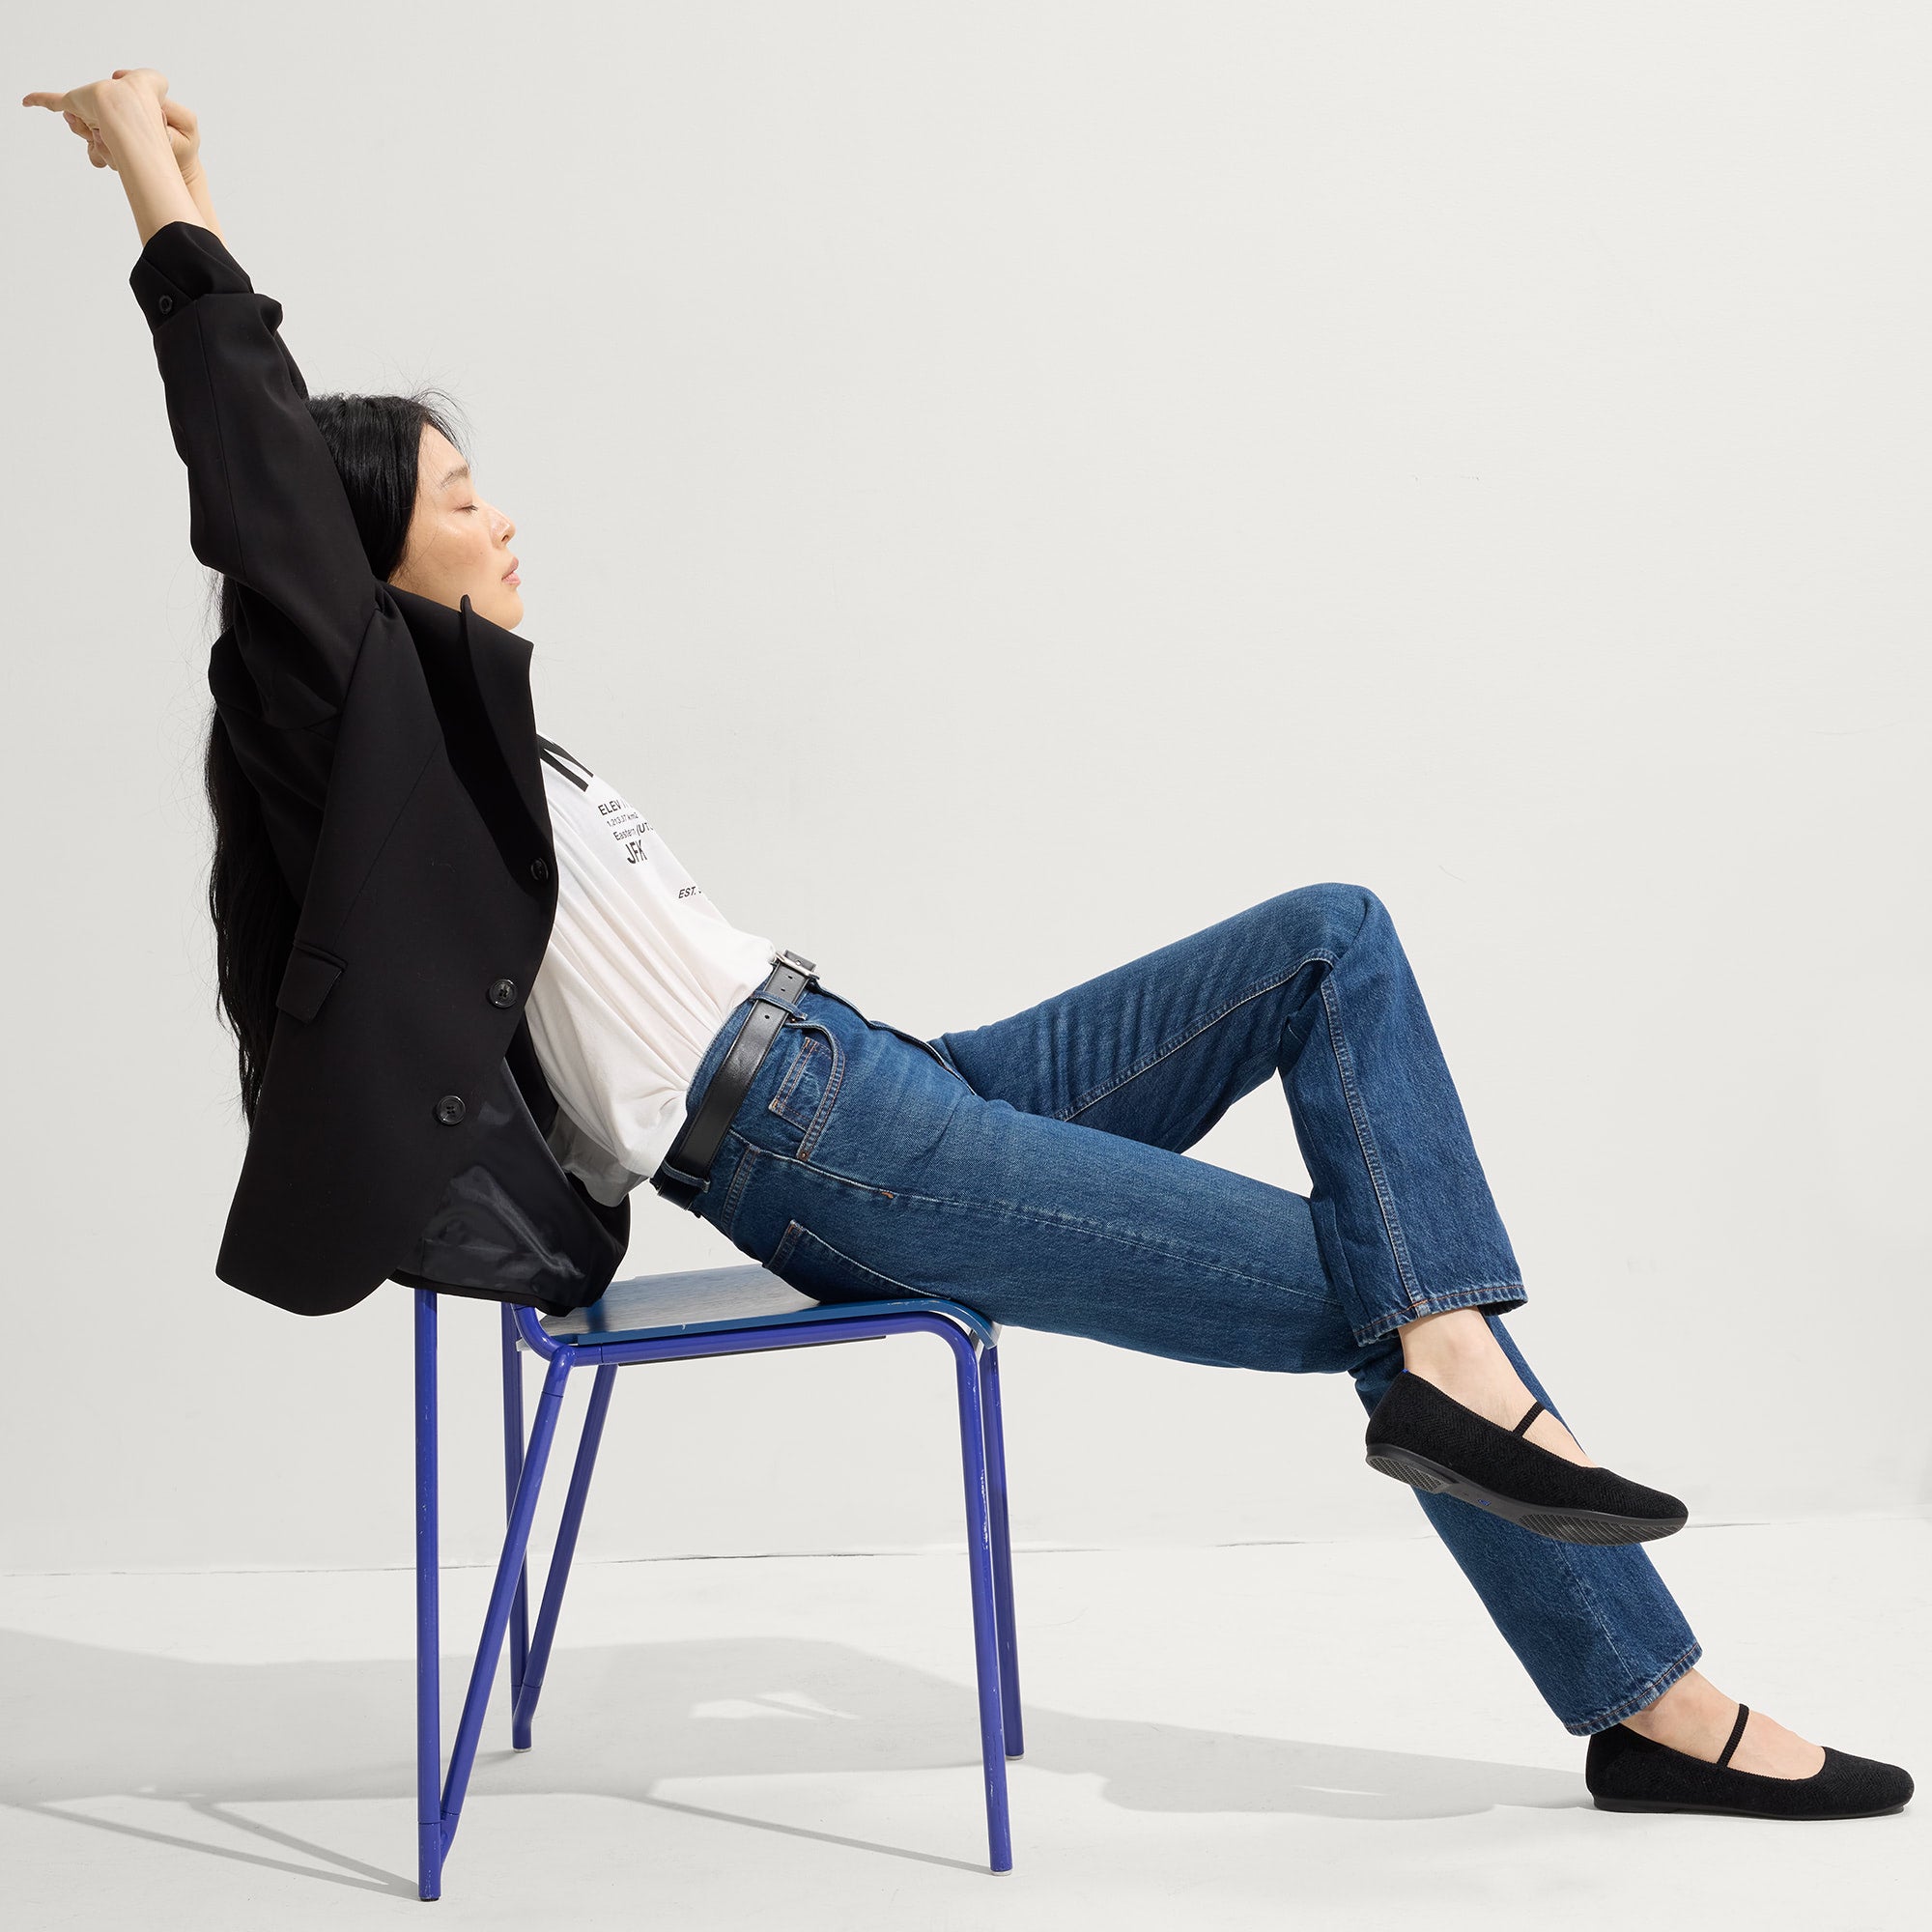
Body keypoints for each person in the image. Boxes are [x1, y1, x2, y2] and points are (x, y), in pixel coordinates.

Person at [25, 67, 1912, 1825]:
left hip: (889, 1075)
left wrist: (190, 180)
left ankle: (1475, 1404)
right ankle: (1650, 1697)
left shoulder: (496, 737)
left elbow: (302, 487)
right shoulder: (371, 743)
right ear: (363, 570)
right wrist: (154, 181)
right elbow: (260, 481)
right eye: (457, 500)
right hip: (828, 1152)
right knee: (1390, 1291)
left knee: (1332, 944)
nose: (503, 517)